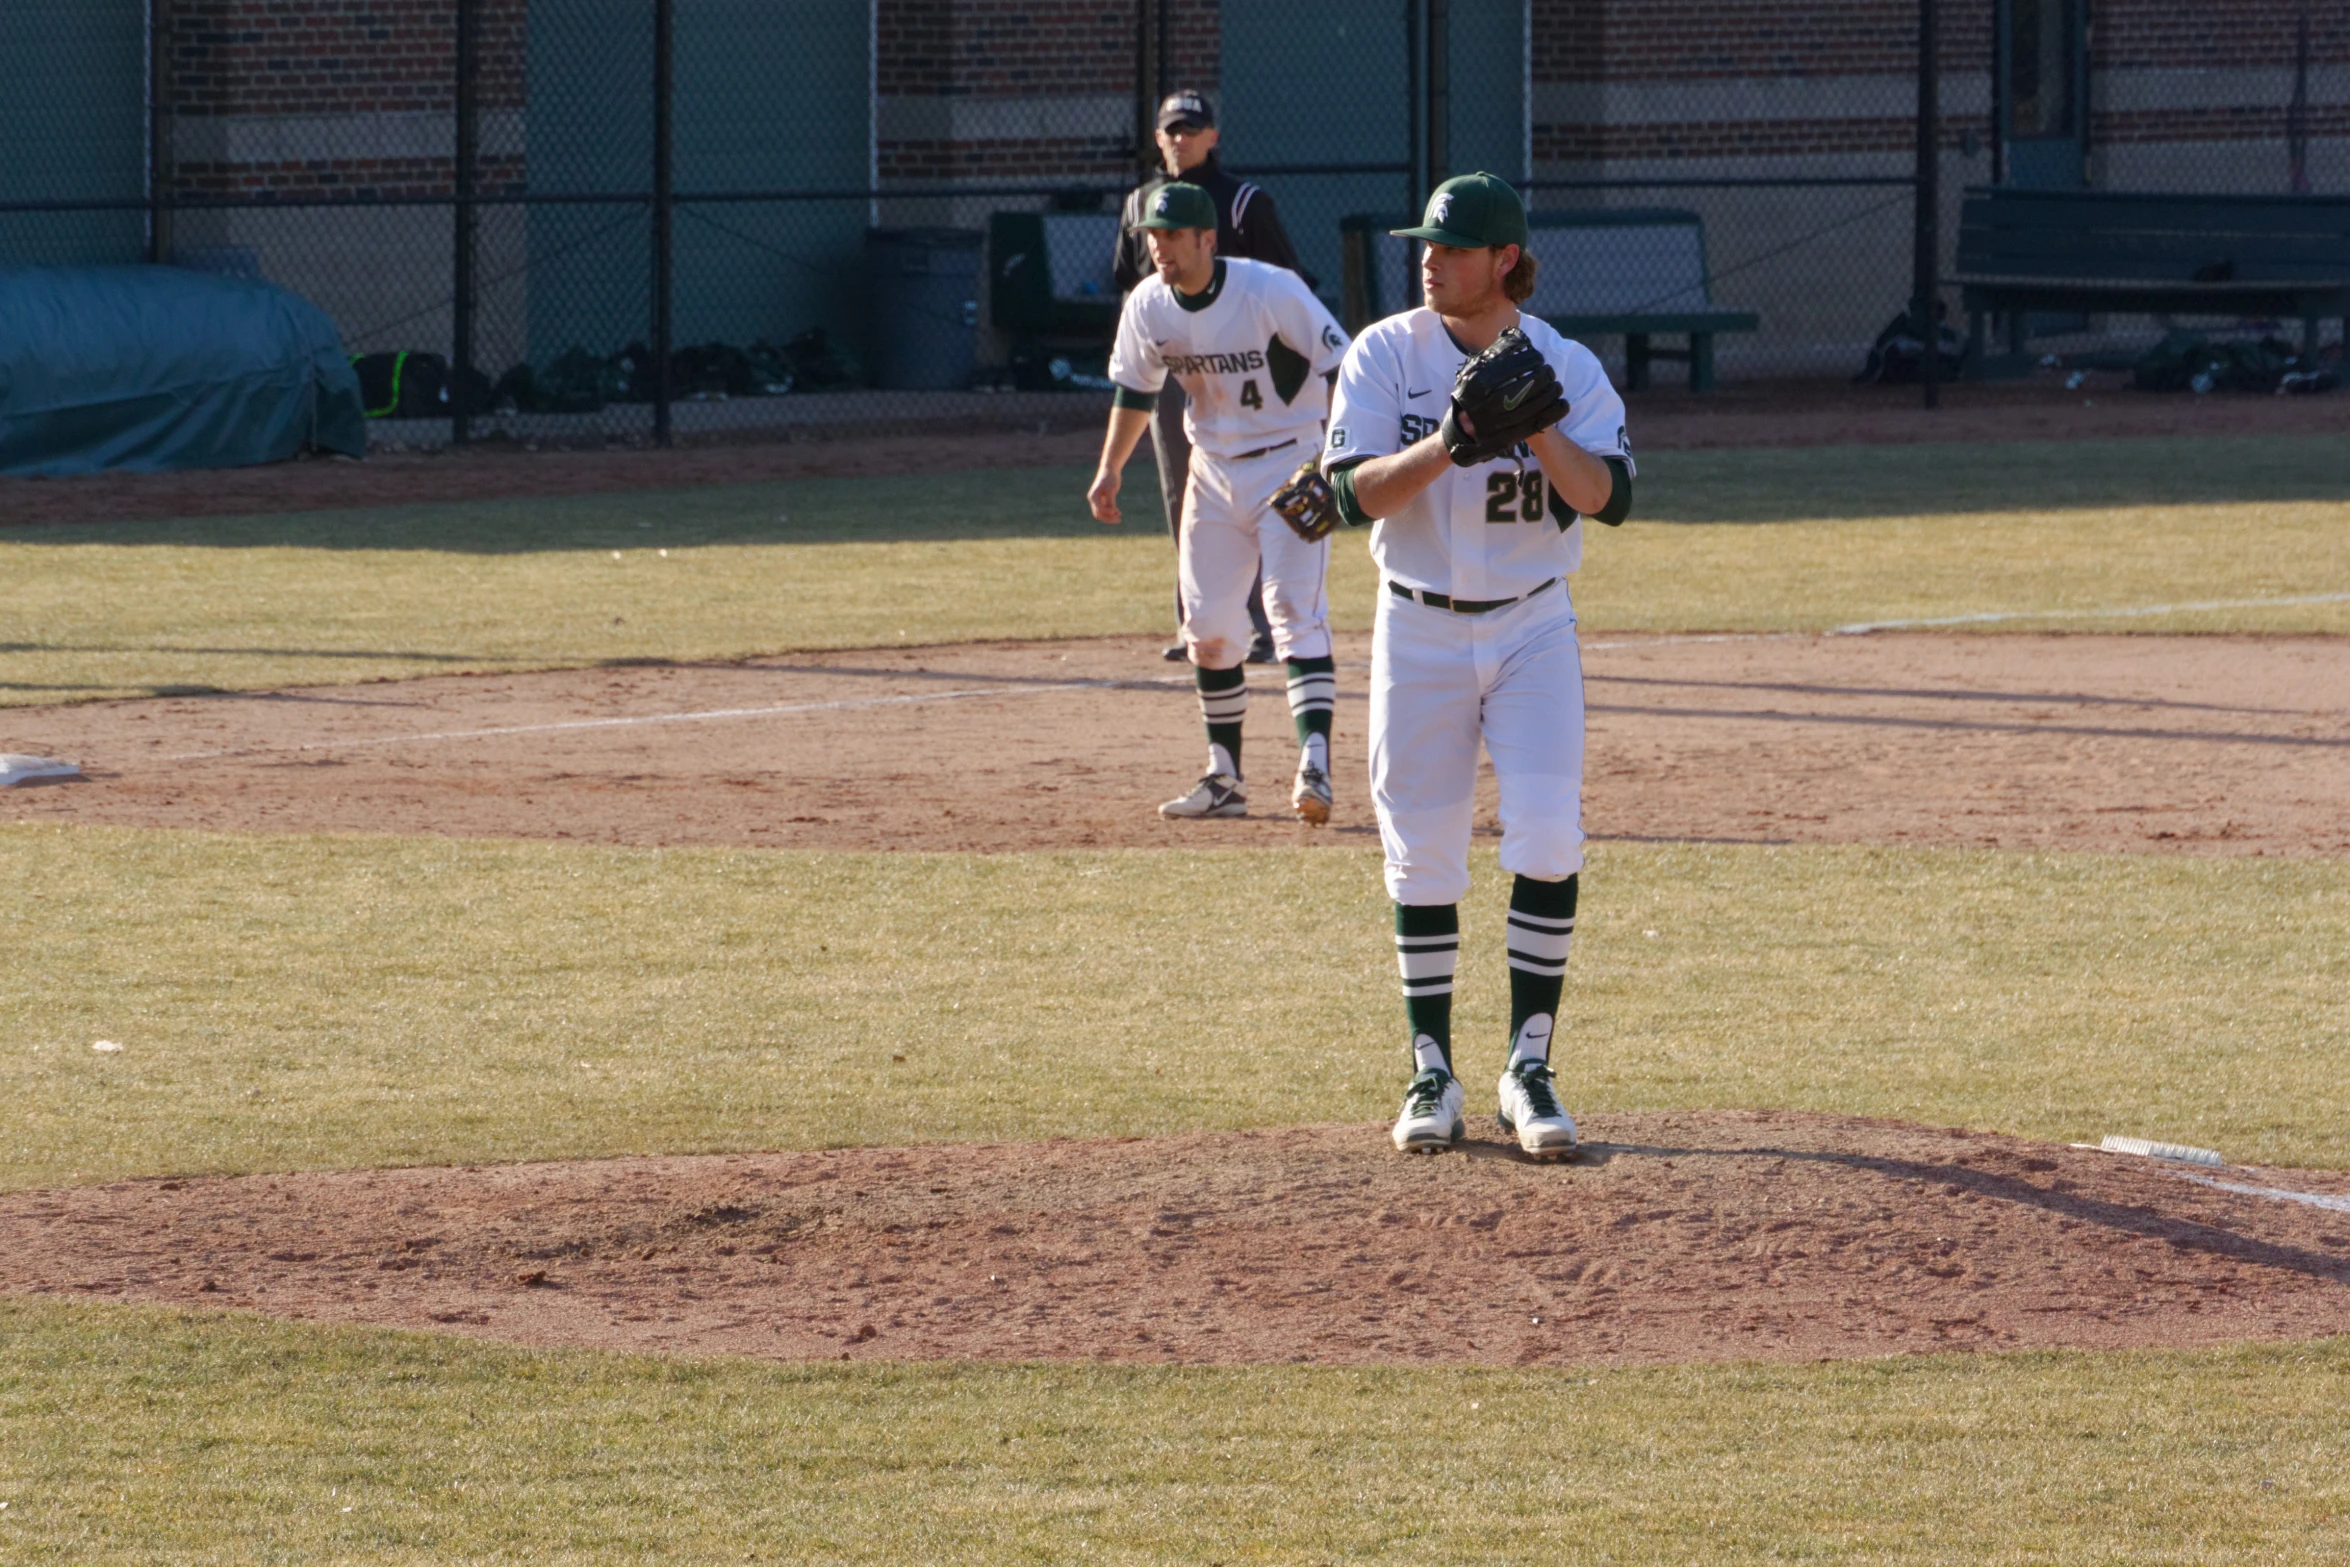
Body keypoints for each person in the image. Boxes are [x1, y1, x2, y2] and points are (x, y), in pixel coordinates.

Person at [1315, 172, 1634, 1159]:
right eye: (1427, 244)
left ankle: (1527, 1068)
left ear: (1504, 260)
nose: (1429, 259)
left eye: (1452, 247)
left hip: (1533, 627)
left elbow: (1609, 497)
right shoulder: (1383, 354)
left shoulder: (1567, 365)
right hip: (1417, 628)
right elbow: (1344, 497)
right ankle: (1431, 1070)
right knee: (1422, 853)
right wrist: (1454, 441)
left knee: (1545, 834)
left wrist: (1536, 427)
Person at [1088, 181, 1351, 824]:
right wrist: (1109, 470)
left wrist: (1337, 461)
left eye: (1172, 235)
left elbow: (1343, 367)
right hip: (1210, 473)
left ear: (1208, 239)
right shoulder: (1149, 305)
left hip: (1290, 464)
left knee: (1292, 609)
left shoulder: (1270, 289)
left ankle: (1314, 764)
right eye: (1152, 235)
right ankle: (1224, 777)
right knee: (1206, 632)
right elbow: (1136, 391)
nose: (1159, 247)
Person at [1114, 89, 1309, 666]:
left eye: (1192, 129)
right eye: (1171, 129)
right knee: (1187, 492)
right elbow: (1128, 282)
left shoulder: (1244, 202)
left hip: (1250, 371)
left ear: (1213, 137)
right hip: (1175, 368)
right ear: (1157, 139)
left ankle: (1269, 623)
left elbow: (1287, 286)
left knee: (1263, 491)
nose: (1181, 138)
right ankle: (1199, 621)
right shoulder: (1139, 204)